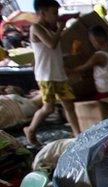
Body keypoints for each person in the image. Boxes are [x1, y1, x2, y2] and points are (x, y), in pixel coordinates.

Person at [26, 0, 79, 145]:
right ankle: (30, 129)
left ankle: (77, 134)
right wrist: (61, 28)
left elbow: (54, 50)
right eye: (54, 13)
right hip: (46, 76)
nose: (57, 16)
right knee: (48, 108)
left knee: (69, 105)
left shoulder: (51, 29)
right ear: (42, 13)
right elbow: (51, 44)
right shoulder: (35, 28)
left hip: (58, 74)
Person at [68, 25, 108, 99]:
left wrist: (70, 70)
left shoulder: (99, 56)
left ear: (100, 39)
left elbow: (84, 67)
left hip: (104, 90)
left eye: (92, 41)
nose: (92, 44)